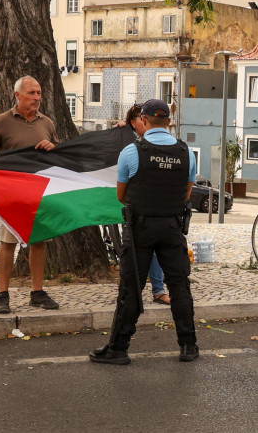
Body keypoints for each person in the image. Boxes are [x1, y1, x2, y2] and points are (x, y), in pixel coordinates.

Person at [90, 99, 199, 364]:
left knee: (131, 287)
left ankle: (119, 348)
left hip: (140, 228)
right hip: (173, 228)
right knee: (179, 285)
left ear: (144, 121)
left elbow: (121, 195)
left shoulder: (131, 151)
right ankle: (188, 346)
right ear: (169, 122)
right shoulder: (187, 152)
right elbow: (186, 193)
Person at [0, 76, 59, 313]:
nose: (37, 98)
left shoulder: (47, 123)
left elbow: (61, 157)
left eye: (39, 93)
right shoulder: (3, 121)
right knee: (7, 243)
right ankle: (2, 294)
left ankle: (37, 293)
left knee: (39, 243)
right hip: (10, 195)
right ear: (17, 95)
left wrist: (53, 148)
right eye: (32, 93)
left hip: (39, 193)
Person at [123, 104, 170, 305]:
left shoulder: (167, 146)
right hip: (139, 211)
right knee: (138, 253)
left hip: (157, 212)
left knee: (153, 252)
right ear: (134, 124)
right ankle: (135, 294)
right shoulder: (129, 146)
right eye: (137, 119)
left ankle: (156, 289)